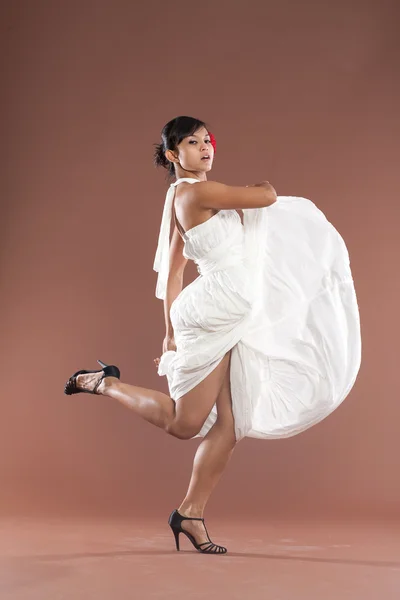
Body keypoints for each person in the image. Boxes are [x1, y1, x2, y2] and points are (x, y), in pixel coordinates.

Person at [64, 115, 362, 555]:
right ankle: (104, 382)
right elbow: (267, 196)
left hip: (229, 311)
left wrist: (168, 332)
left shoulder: (185, 198)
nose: (205, 148)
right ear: (172, 154)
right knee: (184, 425)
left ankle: (191, 514)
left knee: (229, 425)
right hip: (218, 310)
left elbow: (174, 270)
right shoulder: (197, 192)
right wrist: (260, 186)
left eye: (208, 140)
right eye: (192, 141)